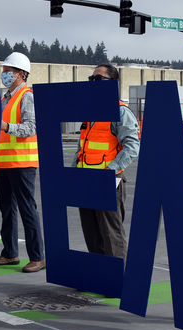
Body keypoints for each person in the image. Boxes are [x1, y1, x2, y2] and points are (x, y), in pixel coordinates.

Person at [0, 52, 45, 273]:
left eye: (7, 71)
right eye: (3, 71)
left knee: (27, 209)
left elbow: (31, 128)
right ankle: (10, 253)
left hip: (22, 162)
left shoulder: (27, 96)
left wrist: (6, 127)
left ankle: (38, 257)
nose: (4, 75)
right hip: (3, 163)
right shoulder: (5, 98)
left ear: (21, 74)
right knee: (7, 210)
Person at [76, 64, 140, 260]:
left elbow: (132, 146)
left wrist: (110, 171)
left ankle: (118, 277)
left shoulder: (121, 112)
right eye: (91, 79)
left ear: (112, 83)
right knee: (91, 232)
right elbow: (82, 148)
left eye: (98, 79)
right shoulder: (90, 111)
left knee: (111, 234)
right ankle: (99, 275)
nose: (93, 82)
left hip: (108, 181)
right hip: (85, 180)